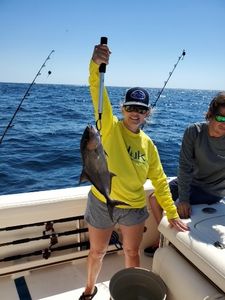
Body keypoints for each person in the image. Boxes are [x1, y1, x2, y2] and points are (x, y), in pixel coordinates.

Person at [79, 43, 189, 300]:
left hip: (134, 207)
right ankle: (88, 289)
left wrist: (171, 214)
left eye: (141, 110)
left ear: (147, 114)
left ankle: (129, 293)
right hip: (101, 201)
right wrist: (95, 64)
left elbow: (160, 181)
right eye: (131, 108)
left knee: (131, 253)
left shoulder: (148, 145)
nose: (135, 113)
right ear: (122, 109)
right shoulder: (108, 127)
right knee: (97, 252)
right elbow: (97, 89)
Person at [144, 91, 225, 257]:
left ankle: (167, 240)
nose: (224, 123)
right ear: (210, 115)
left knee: (176, 208)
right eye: (221, 118)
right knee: (154, 198)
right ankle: (165, 237)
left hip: (211, 191)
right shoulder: (193, 132)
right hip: (190, 182)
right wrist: (184, 199)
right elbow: (184, 167)